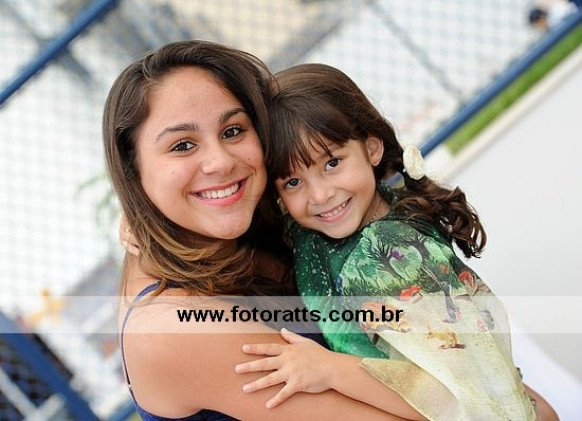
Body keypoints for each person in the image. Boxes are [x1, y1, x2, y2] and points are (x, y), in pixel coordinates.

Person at [105, 40, 425, 420]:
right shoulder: (175, 327)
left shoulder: (273, 223)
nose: (221, 162)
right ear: (133, 172)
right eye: (183, 145)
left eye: (232, 131)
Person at [233, 63, 559, 420]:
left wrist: (329, 369)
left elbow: (456, 397)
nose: (320, 195)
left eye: (332, 163)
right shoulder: (318, 232)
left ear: (372, 148)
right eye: (293, 182)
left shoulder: (390, 256)